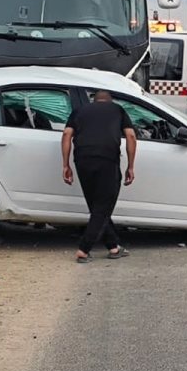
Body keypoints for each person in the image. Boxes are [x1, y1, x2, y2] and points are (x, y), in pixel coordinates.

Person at [61, 89, 137, 262]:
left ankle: (113, 247)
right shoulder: (117, 109)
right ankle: (84, 249)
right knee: (103, 206)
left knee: (97, 207)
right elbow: (131, 136)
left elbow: (66, 134)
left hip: (82, 160)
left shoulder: (79, 111)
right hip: (107, 160)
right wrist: (130, 167)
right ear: (109, 101)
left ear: (94, 100)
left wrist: (66, 164)